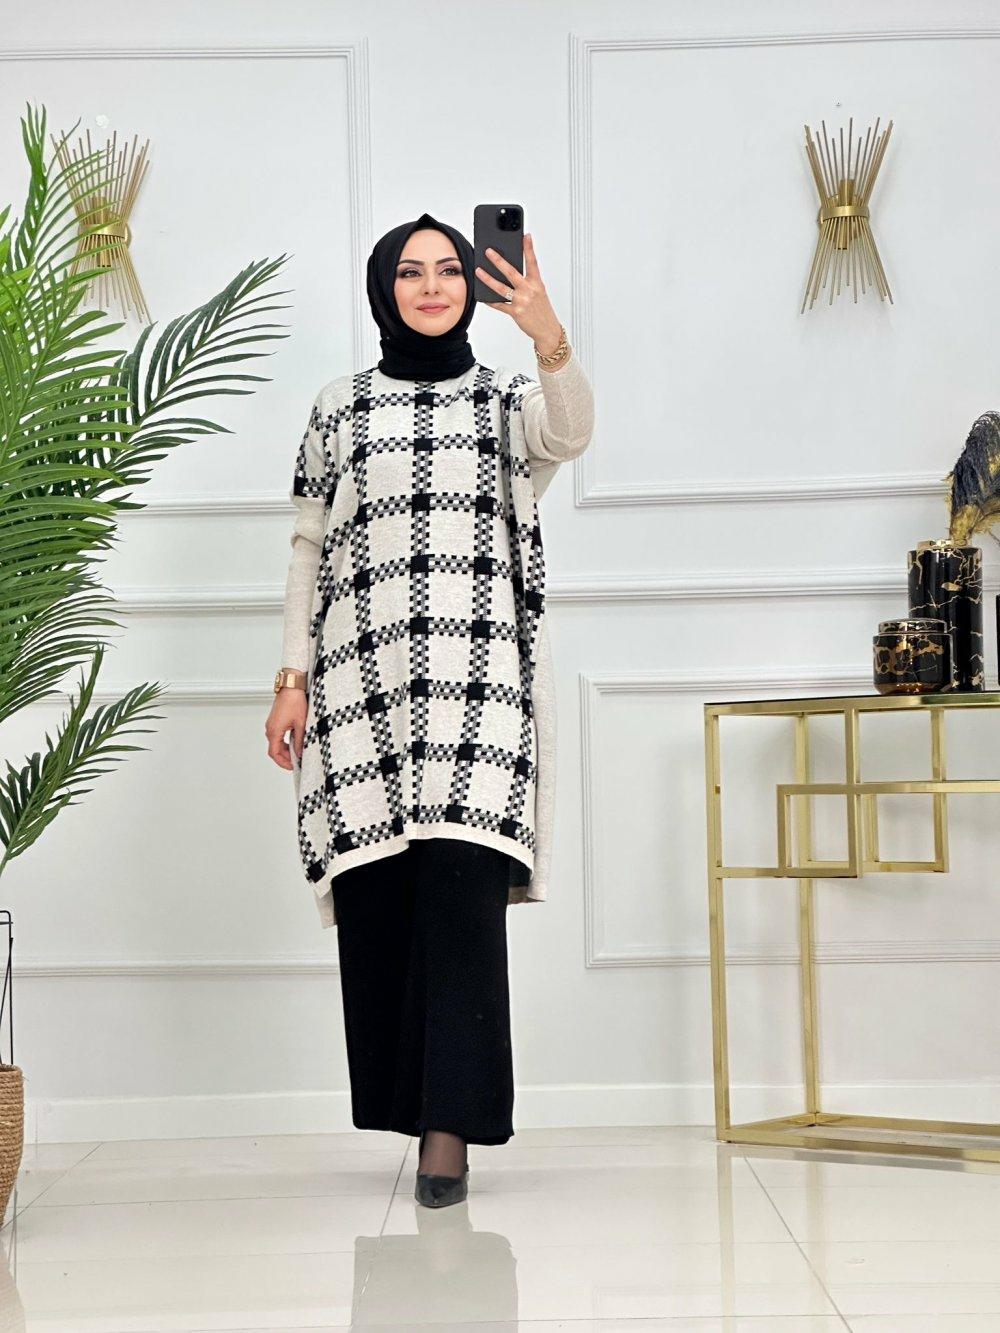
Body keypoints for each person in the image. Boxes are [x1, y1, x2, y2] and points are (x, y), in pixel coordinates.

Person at [265, 211, 594, 1206]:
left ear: (470, 286)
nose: (433, 285)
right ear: (384, 289)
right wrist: (290, 679)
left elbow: (571, 432)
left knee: (459, 906)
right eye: (410, 272)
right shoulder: (338, 407)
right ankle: (406, 1108)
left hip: (477, 697)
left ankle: (448, 1134)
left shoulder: (504, 400)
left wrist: (546, 330)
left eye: (450, 268)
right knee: (380, 904)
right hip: (359, 693)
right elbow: (309, 548)